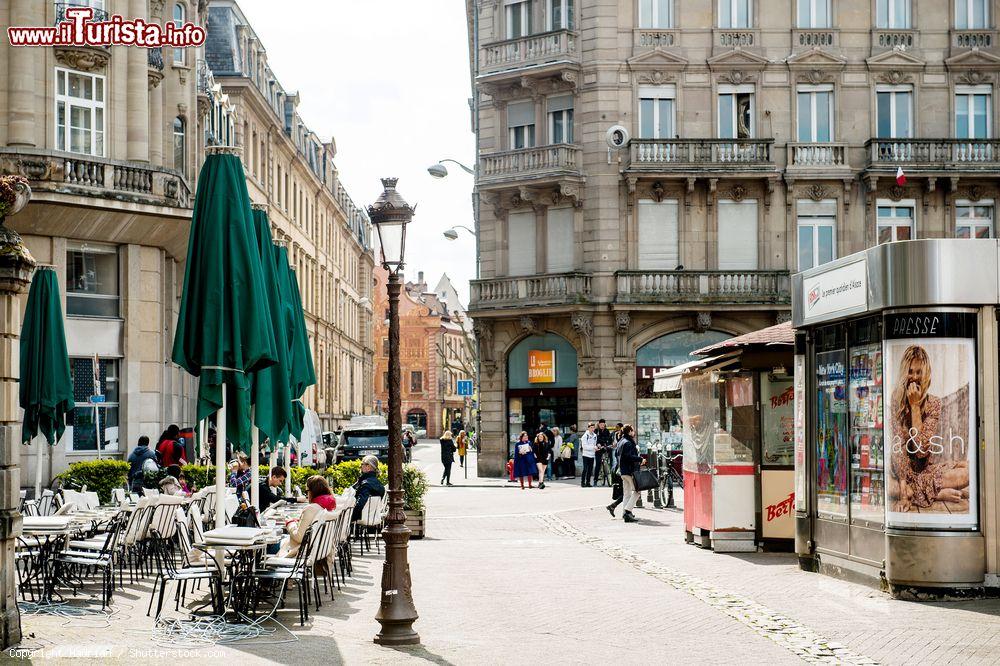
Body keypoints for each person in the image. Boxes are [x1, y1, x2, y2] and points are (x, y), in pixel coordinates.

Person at [888, 345, 970, 511]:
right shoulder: (896, 399)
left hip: (924, 470)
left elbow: (921, 451)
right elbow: (899, 449)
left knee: (968, 470)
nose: (915, 377)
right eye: (911, 371)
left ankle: (922, 490)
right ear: (904, 372)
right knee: (888, 485)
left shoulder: (934, 403)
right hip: (902, 471)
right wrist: (904, 492)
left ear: (926, 374)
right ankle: (936, 493)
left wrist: (915, 406)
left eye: (919, 372)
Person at [277, 475, 337, 558]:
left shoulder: (311, 509)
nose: (307, 494)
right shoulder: (329, 507)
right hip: (321, 553)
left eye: (307, 491)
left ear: (312, 491)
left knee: (275, 544)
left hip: (301, 554)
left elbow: (299, 537)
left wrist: (290, 523)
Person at [608, 424, 645, 523]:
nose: (634, 432)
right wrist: (640, 459)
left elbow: (617, 455)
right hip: (629, 471)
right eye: (632, 430)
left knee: (627, 493)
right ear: (629, 432)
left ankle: (625, 514)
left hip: (623, 471)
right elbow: (629, 457)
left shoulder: (621, 441)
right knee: (637, 491)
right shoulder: (628, 443)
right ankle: (627, 511)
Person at [351, 455, 386, 522]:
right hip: (374, 518)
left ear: (368, 467)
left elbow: (360, 505)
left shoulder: (366, 484)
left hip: (361, 518)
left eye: (362, 464)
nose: (360, 466)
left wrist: (350, 518)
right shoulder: (380, 485)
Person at [595, 419, 613, 486]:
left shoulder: (607, 431)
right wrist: (597, 444)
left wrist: (609, 444)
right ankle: (595, 480)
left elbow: (609, 439)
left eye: (603, 425)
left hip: (605, 448)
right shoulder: (596, 431)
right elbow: (595, 440)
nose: (602, 426)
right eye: (601, 424)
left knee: (610, 460)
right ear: (598, 424)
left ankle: (610, 474)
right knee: (598, 464)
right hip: (599, 449)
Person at [580, 423, 597, 487]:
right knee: (585, 469)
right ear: (588, 428)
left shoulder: (595, 435)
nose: (592, 429)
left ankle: (588, 482)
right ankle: (582, 482)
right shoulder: (585, 436)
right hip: (586, 455)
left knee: (590, 469)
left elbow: (594, 444)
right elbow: (584, 446)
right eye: (591, 428)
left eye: (593, 428)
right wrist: (593, 447)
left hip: (592, 455)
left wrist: (596, 447)